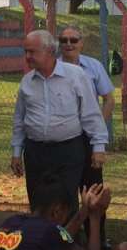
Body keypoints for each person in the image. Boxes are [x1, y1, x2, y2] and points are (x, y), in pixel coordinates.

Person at [10, 29, 108, 210]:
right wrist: (16, 152)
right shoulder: (27, 81)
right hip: (36, 153)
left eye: (32, 51)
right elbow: (20, 119)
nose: (27, 56)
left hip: (68, 151)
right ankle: (43, 237)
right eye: (25, 52)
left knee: (65, 203)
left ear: (49, 51)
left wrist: (98, 147)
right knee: (39, 202)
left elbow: (91, 113)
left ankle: (66, 238)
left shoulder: (76, 76)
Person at [59, 24, 115, 250]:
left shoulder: (94, 67)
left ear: (82, 43)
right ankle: (66, 239)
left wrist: (96, 128)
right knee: (64, 190)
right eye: (64, 40)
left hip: (88, 137)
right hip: (63, 137)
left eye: (74, 40)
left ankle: (98, 237)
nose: (69, 44)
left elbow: (109, 99)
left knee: (93, 187)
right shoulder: (52, 67)